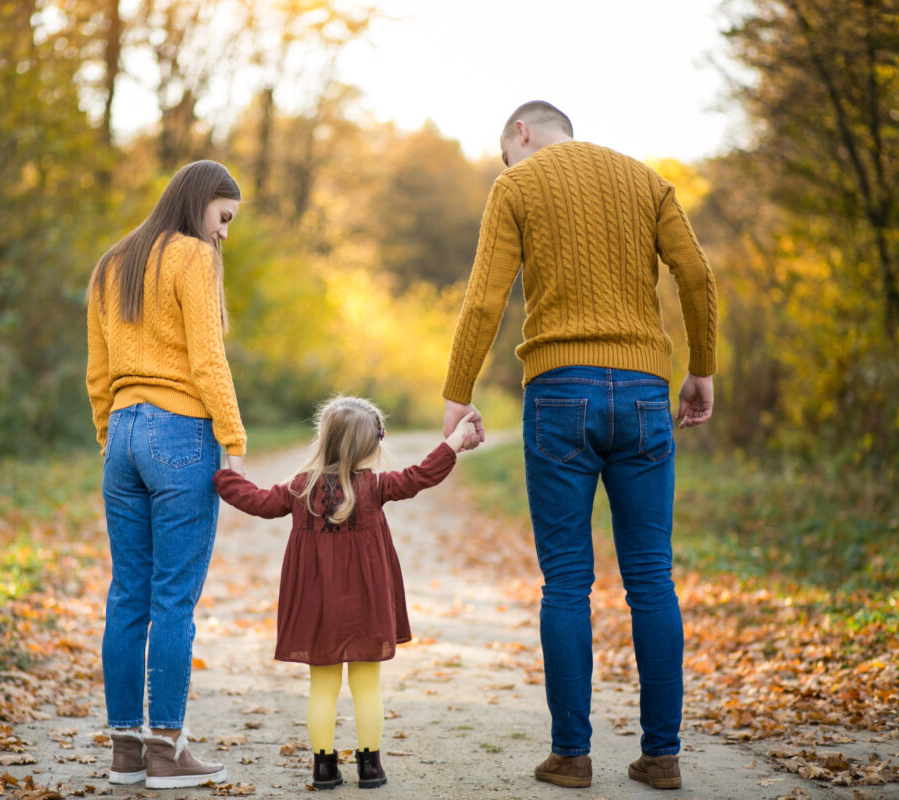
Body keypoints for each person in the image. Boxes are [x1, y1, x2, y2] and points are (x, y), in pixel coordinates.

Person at [441, 101, 718, 790]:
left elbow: (483, 300)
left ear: (521, 135)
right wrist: (702, 368)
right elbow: (697, 276)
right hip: (648, 391)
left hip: (559, 392)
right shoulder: (645, 180)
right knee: (650, 576)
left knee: (566, 579)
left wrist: (457, 391)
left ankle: (572, 755)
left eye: (507, 152)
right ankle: (663, 755)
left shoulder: (517, 184)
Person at [213, 397, 480, 790]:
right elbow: (421, 475)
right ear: (371, 445)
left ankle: (324, 767)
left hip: (315, 607)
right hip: (365, 606)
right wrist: (454, 441)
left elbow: (254, 500)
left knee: (322, 687)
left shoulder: (299, 489)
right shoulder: (375, 486)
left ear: (324, 439)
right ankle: (369, 767)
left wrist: (222, 476)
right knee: (366, 685)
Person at [85, 159, 248, 789]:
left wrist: (109, 433)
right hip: (180, 432)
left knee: (128, 596)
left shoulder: (112, 262)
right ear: (201, 201)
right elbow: (207, 356)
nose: (225, 233)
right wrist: (232, 437)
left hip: (122, 436)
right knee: (173, 600)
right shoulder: (191, 257)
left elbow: (97, 368)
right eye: (224, 217)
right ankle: (167, 750)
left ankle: (127, 748)